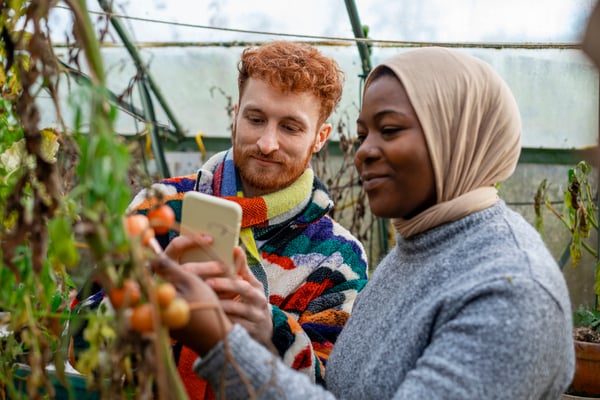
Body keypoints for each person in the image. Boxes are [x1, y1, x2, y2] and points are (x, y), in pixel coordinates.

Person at [152, 46, 575, 399]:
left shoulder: (512, 293)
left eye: (389, 130)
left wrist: (227, 344)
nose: (363, 152)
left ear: (456, 134)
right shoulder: (419, 248)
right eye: (364, 133)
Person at [70, 40, 368, 398]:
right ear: (236, 113)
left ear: (320, 137)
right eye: (255, 119)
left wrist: (270, 329)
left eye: (290, 127)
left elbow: (331, 388)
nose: (267, 143)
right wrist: (146, 295)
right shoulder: (161, 208)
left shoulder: (337, 257)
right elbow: (78, 346)